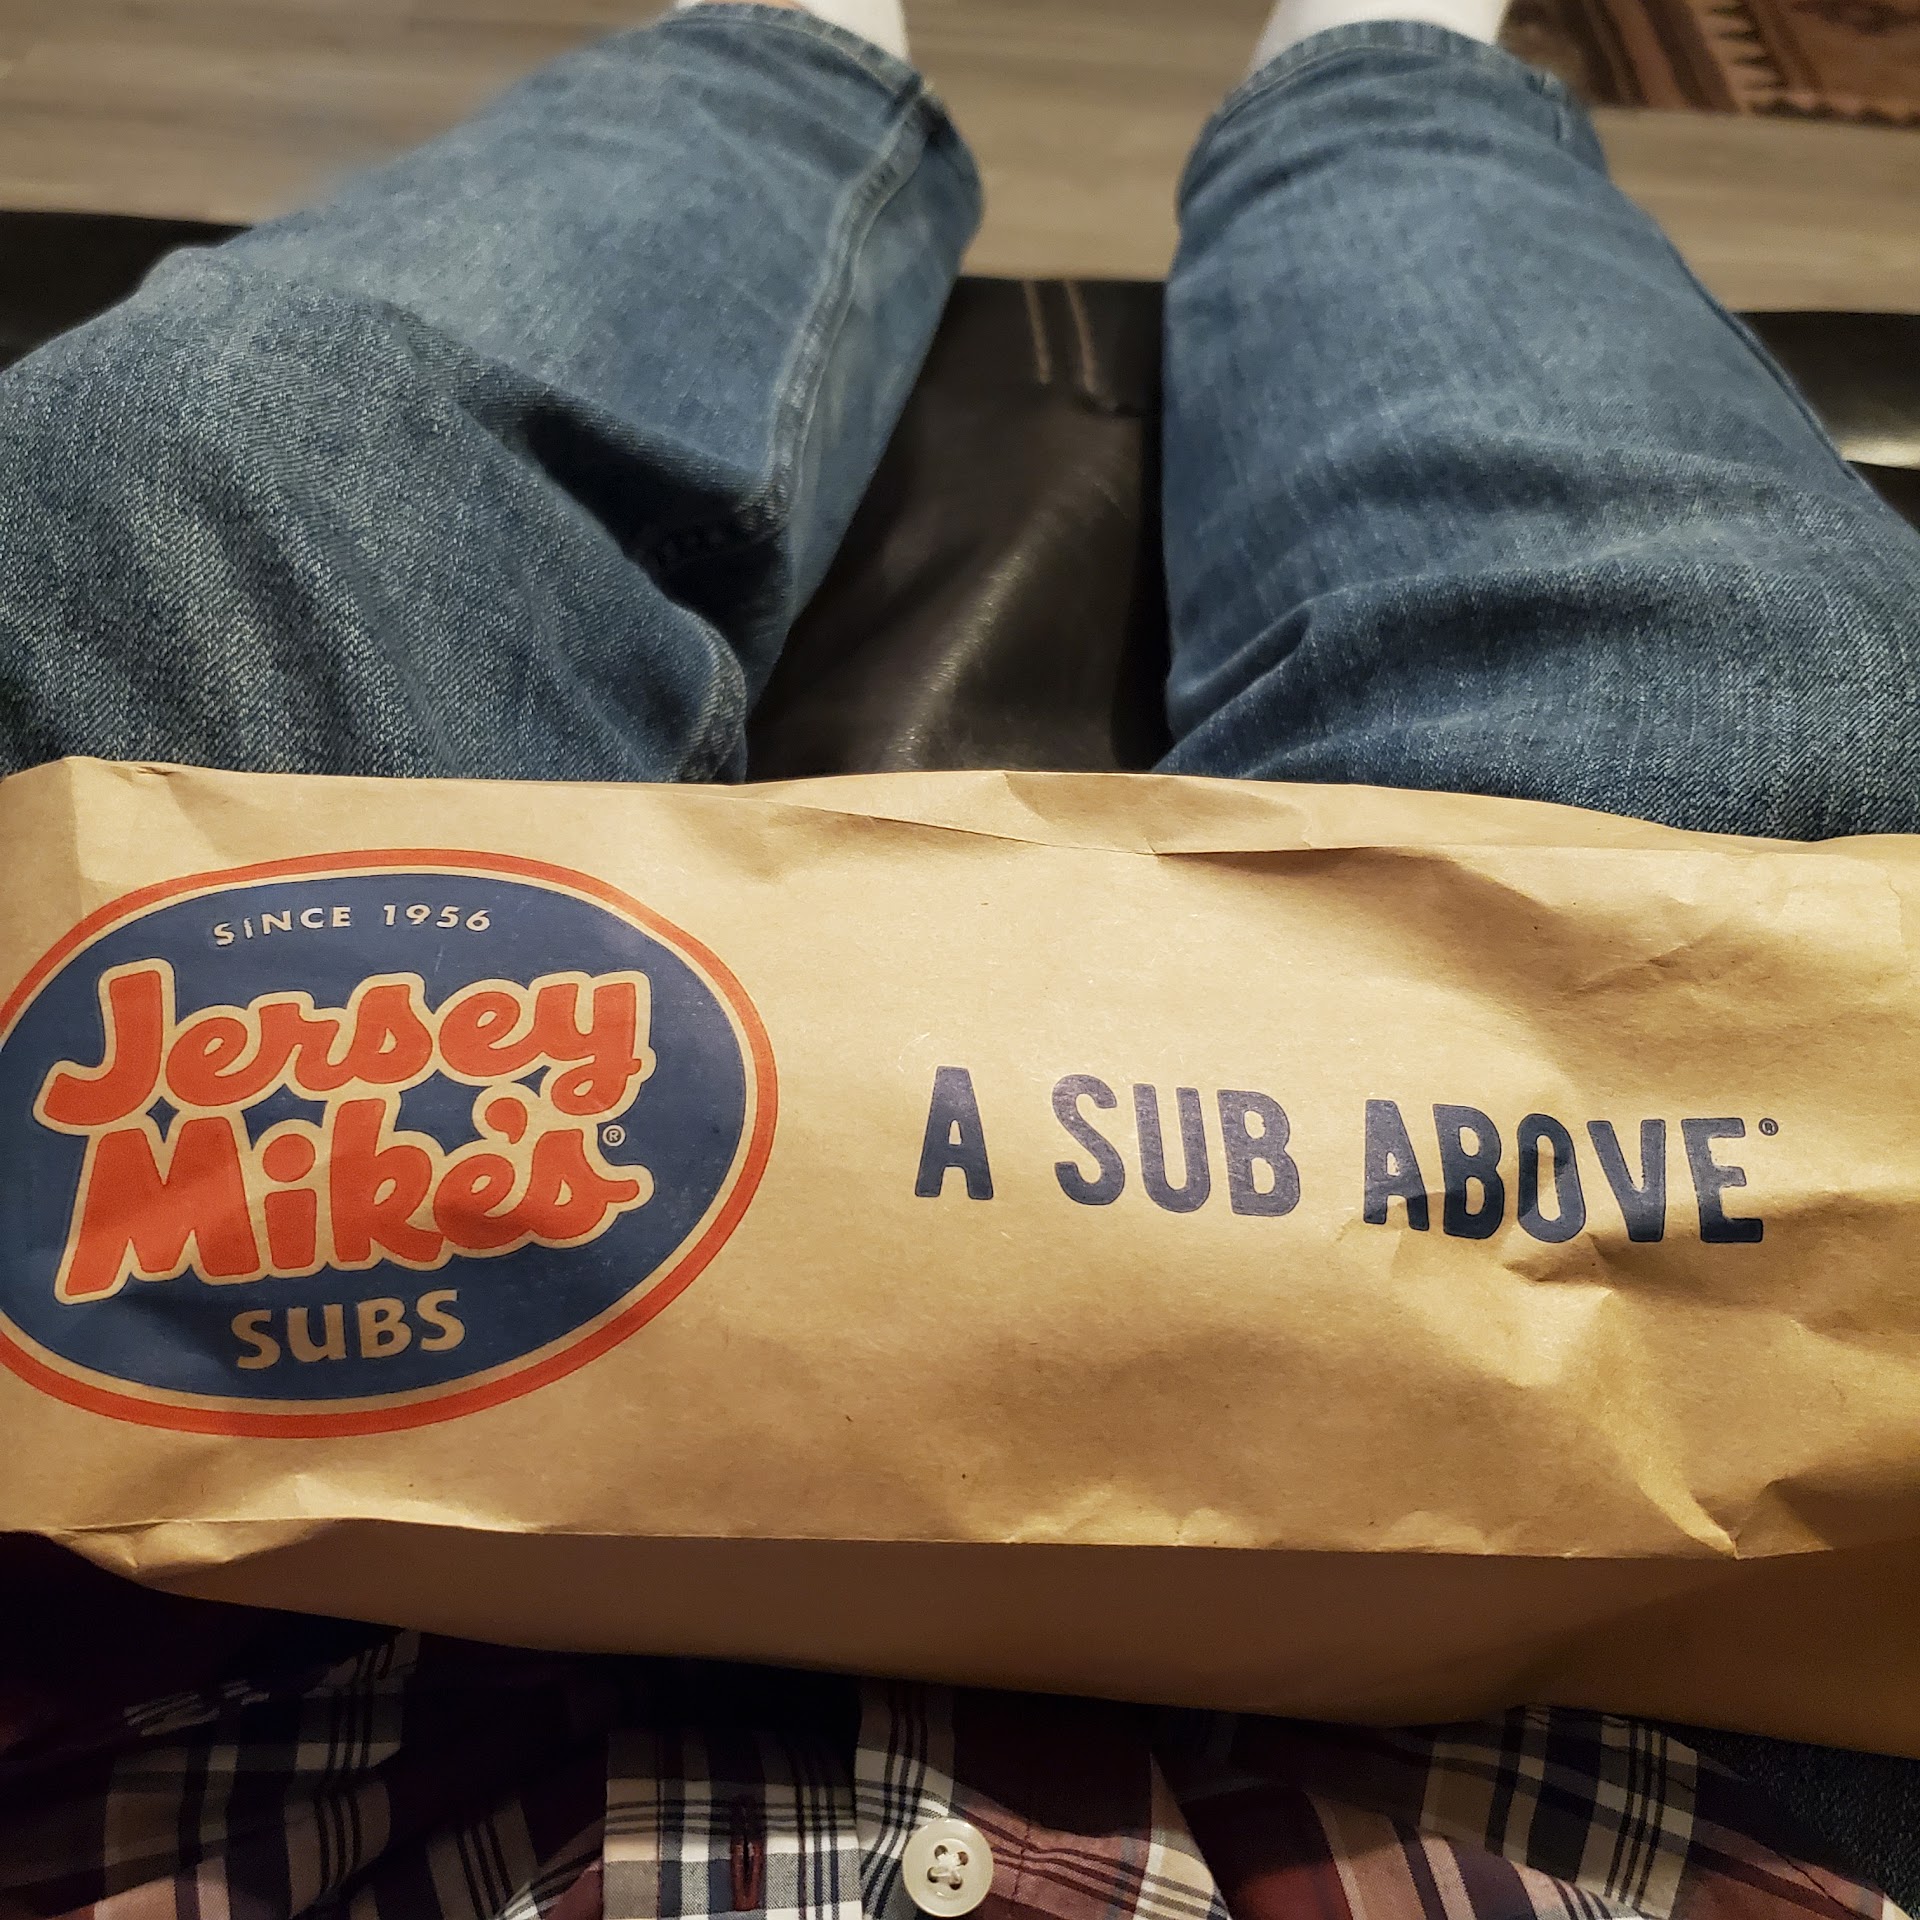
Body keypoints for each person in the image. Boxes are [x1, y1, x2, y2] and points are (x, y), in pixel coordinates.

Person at [0, 0, 1917, 1913]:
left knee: (187, 455)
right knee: (1753, 668)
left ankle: (777, 51)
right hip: (1621, 1755)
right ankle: (1376, 80)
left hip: (224, 1714)